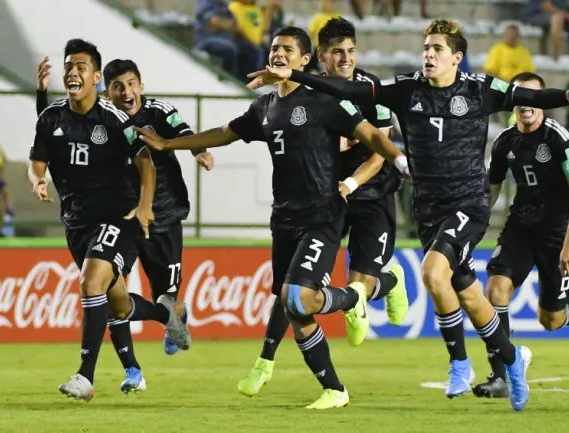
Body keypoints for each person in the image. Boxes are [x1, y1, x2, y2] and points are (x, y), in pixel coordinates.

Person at [247, 19, 569, 411]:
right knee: (471, 297)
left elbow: (532, 96)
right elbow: (350, 88)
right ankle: (512, 360)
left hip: (468, 205)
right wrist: (298, 77)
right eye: (426, 47)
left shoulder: (480, 89)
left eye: (438, 49)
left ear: (457, 57)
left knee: (432, 272)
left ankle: (459, 362)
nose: (429, 54)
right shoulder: (406, 89)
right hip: (428, 208)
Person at [137, 26, 408, 409]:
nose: (278, 53)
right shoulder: (265, 107)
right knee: (295, 309)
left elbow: (370, 135)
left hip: (322, 215)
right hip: (284, 220)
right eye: (275, 47)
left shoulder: (326, 100)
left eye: (287, 49)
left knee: (297, 296)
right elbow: (225, 133)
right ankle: (334, 389)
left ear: (304, 61)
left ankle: (351, 299)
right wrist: (169, 144)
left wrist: (399, 159)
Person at [235, 17, 409, 398]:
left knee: (354, 287)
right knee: (292, 289)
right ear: (323, 58)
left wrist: (351, 181)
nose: (345, 60)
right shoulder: (314, 91)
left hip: (370, 194)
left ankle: (389, 280)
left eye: (351, 52)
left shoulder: (370, 91)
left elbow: (378, 150)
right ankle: (265, 361)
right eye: (337, 53)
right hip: (330, 197)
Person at [35, 56, 214, 393]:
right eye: (118, 87)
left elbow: (183, 130)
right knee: (107, 286)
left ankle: (172, 317)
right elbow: (55, 126)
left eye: (132, 84)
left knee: (167, 299)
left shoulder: (158, 110)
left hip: (165, 215)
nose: (126, 91)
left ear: (141, 87)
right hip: (124, 216)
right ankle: (131, 369)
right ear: (108, 92)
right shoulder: (106, 119)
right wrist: (40, 96)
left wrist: (199, 151)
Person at [472, 72, 569, 398]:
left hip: (558, 233)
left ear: (542, 102)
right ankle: (500, 376)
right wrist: (473, 225)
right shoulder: (505, 142)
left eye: (533, 97)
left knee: (551, 320)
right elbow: (493, 187)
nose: (526, 104)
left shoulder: (559, 139)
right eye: (520, 97)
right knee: (496, 290)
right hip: (521, 227)